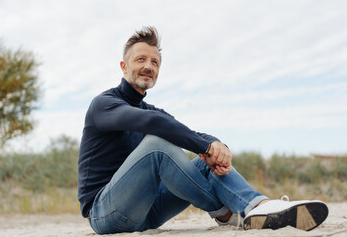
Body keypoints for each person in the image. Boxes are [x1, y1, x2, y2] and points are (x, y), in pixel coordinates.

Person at [78, 26, 328, 234]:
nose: (148, 66)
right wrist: (204, 147)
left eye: (154, 62)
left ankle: (257, 205)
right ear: (123, 66)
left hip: (149, 213)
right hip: (105, 214)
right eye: (140, 59)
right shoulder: (104, 104)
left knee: (201, 160)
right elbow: (154, 125)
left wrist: (218, 147)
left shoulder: (152, 110)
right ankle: (226, 213)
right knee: (159, 145)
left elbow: (187, 131)